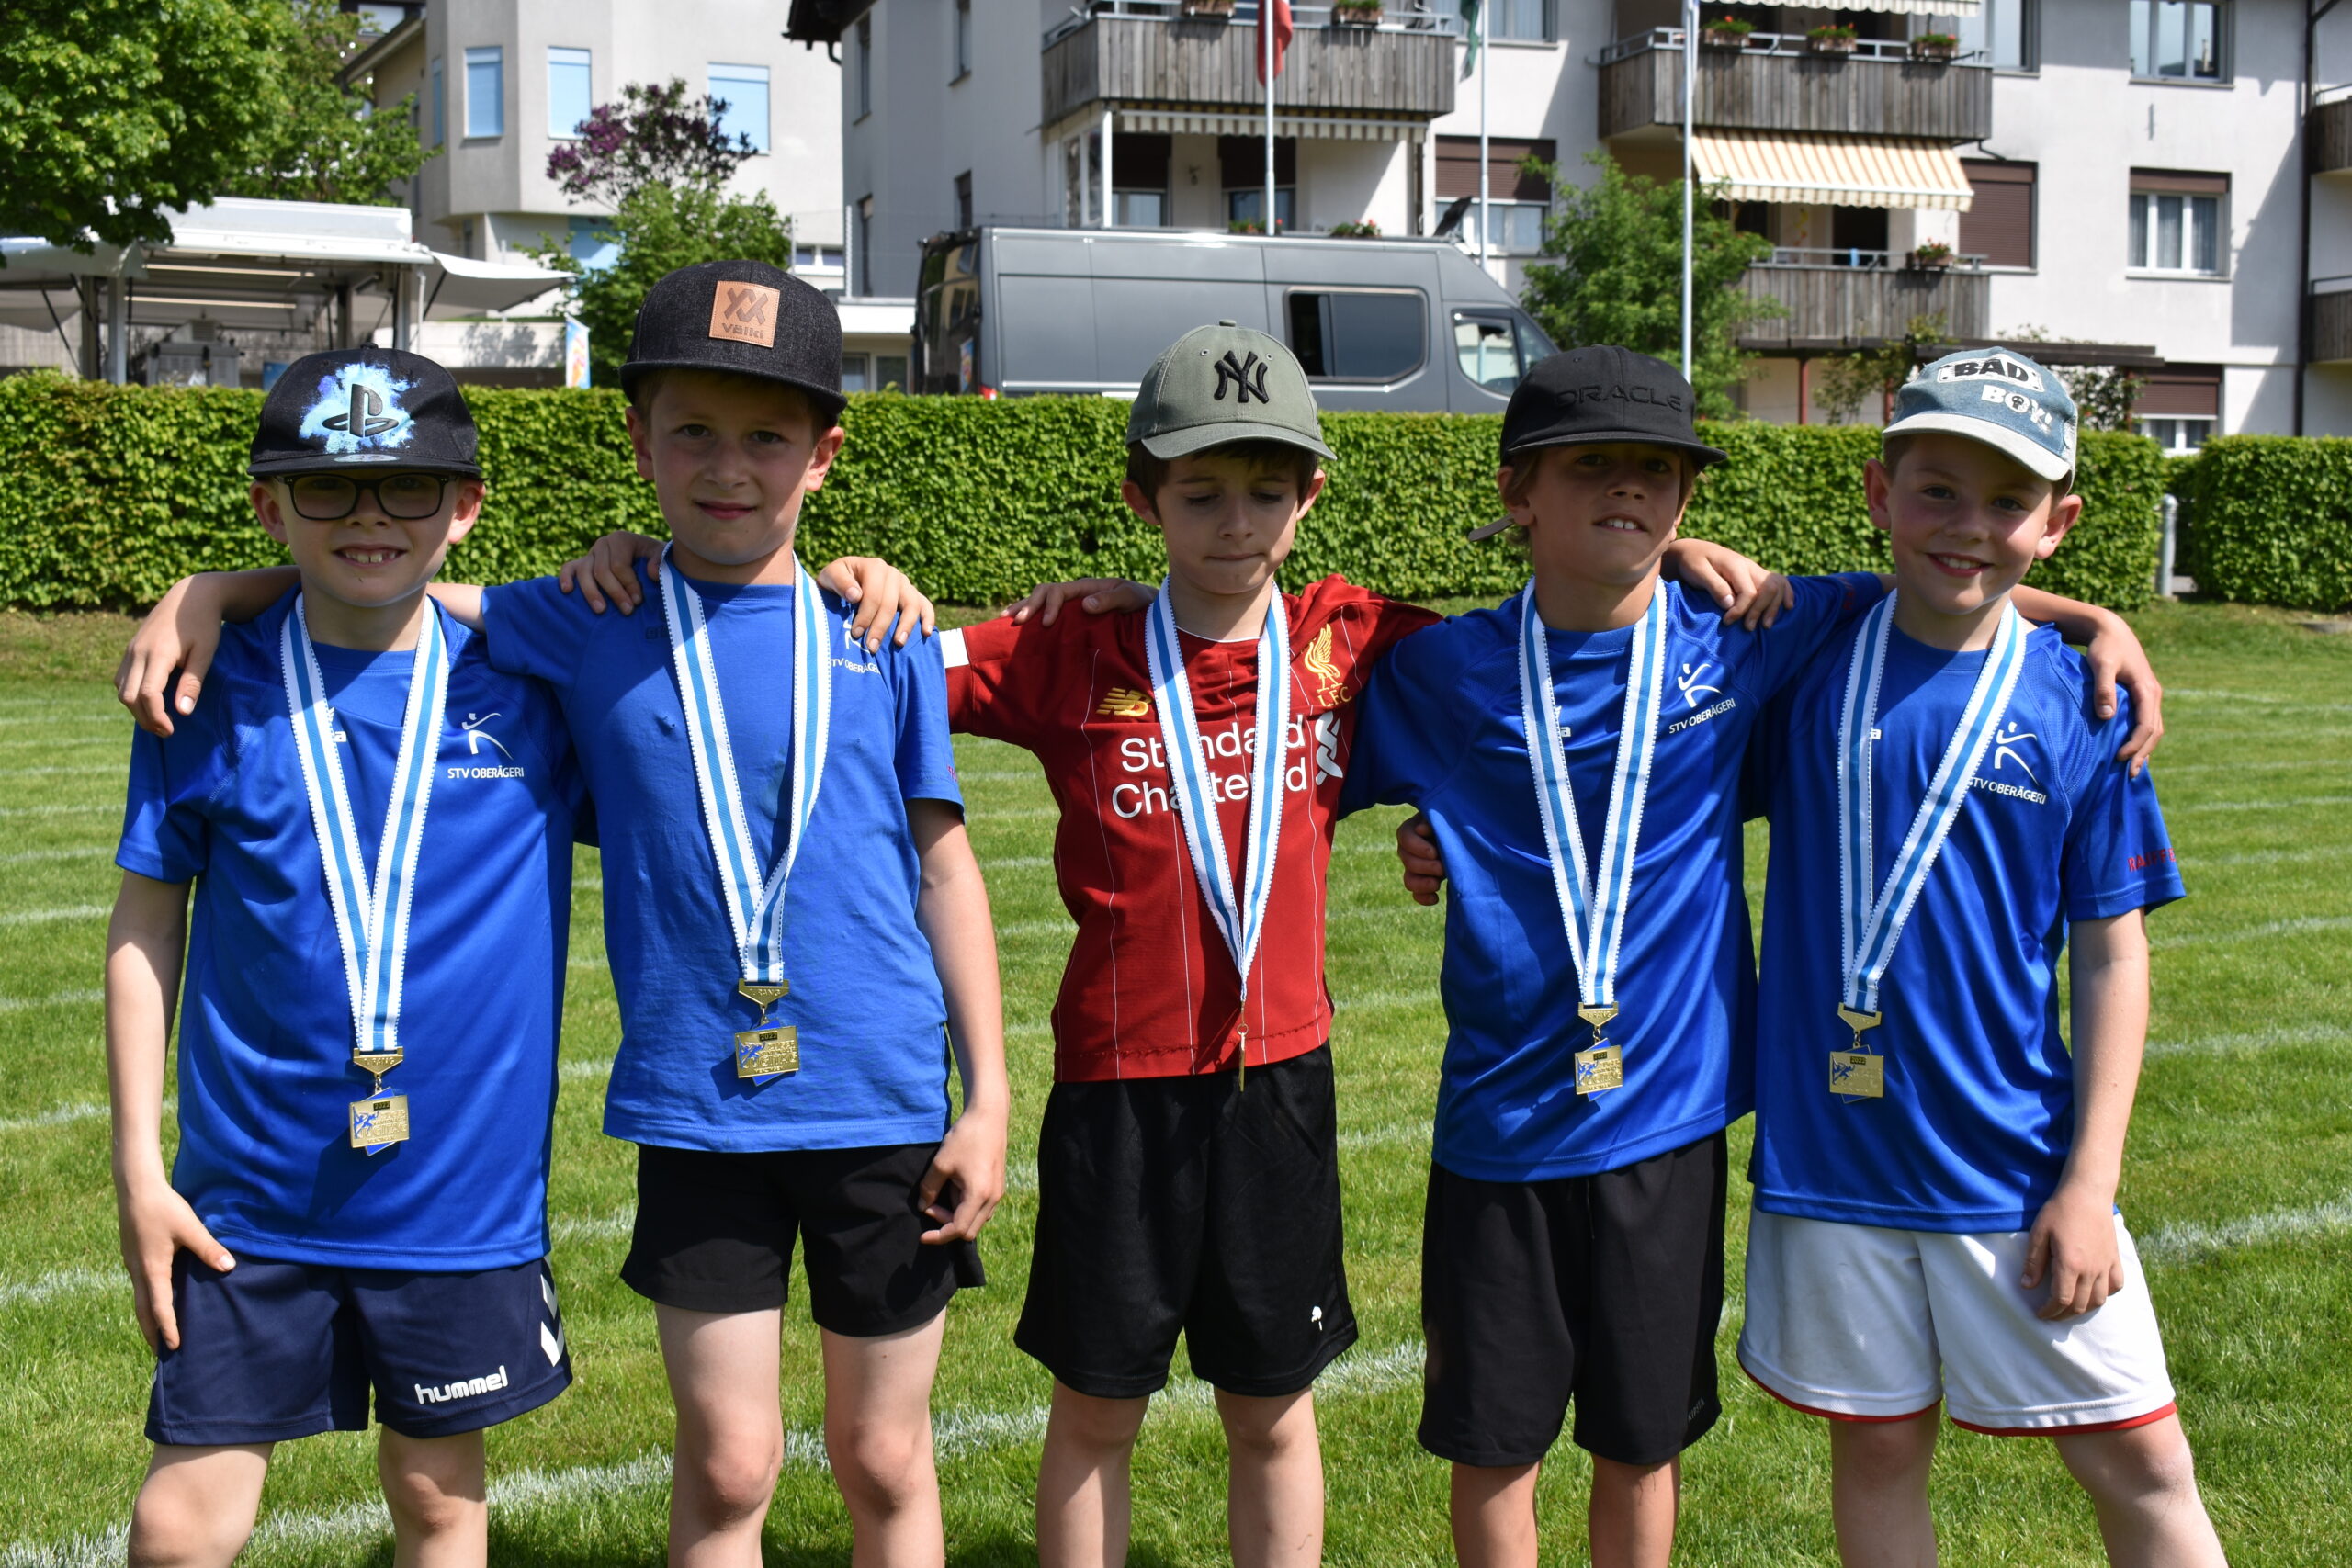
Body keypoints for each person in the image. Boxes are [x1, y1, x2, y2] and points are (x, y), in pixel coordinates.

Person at [555, 323, 1782, 1568]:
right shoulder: (1068, 646)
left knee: (1272, 1410)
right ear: (1144, 500)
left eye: (1265, 492)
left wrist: (1667, 551)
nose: (1235, 523)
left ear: (1309, 498)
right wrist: (834, 576)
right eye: (1200, 494)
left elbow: (1547, 647)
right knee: (1097, 1409)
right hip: (1116, 1090)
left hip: (1282, 1089)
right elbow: (852, 666)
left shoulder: (1357, 644)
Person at [112, 262, 1005, 1568]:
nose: (728, 466)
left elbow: (947, 864)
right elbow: (386, 589)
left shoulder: (882, 635)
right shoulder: (583, 625)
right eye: (692, 432)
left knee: (884, 1457)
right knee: (731, 1461)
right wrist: (210, 589)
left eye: (767, 436)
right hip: (694, 1109)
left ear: (824, 454)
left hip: (879, 1098)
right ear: (639, 441)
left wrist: (991, 1095)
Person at [1338, 345, 2164, 1568]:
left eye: (1656, 473)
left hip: (1669, 1124)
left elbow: (1941, 589)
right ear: (1518, 491)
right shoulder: (1437, 673)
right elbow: (1276, 690)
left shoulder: (1743, 635)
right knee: (1496, 1446)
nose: (1627, 489)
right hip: (1499, 1127)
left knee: (1641, 1444)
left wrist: (2094, 617)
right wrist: (1432, 831)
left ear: (1686, 499)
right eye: (1591, 467)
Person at [1734, 349, 2226, 1566]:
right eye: (1937, 491)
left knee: (2143, 1462)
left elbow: (2112, 960)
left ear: (2058, 524)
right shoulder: (1811, 647)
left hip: (2011, 1166)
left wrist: (2090, 1186)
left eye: (2007, 502)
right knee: (1879, 1452)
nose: (1967, 525)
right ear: (1878, 493)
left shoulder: (2085, 703)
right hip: (1829, 1160)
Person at [105, 347, 588, 1568]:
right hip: (245, 1200)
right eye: (327, 487)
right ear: (271, 507)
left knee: (437, 1501)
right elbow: (145, 926)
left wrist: (853, 578)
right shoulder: (207, 686)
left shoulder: (534, 683)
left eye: (407, 487)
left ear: (465, 507)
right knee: (178, 1527)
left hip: (459, 1203)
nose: (369, 517)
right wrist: (137, 1168)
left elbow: (707, 613)